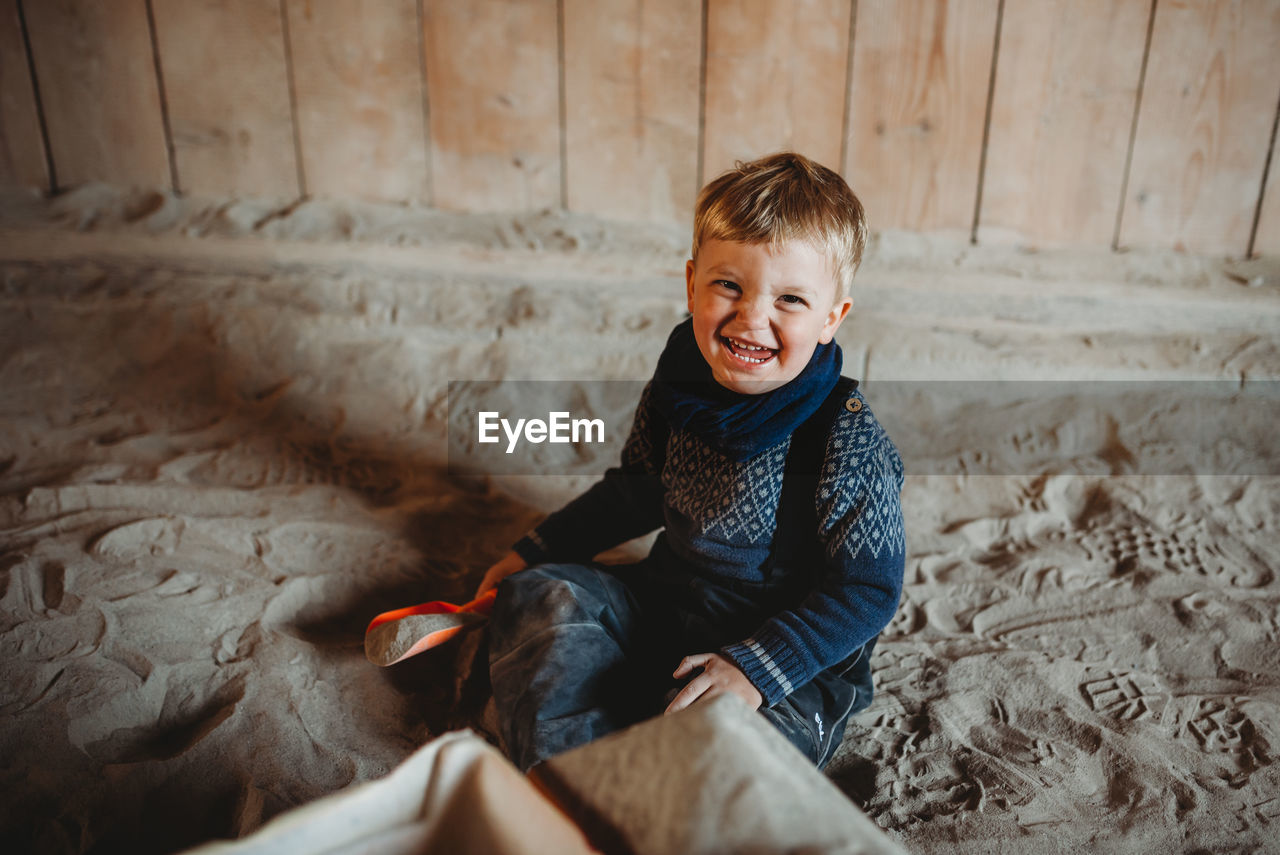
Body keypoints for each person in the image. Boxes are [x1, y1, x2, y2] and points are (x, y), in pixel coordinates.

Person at [477, 151, 905, 772]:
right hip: (664, 609)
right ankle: (570, 777)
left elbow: (867, 589)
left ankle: (657, 786)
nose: (751, 317)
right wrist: (531, 552)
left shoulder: (844, 436)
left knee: (730, 750)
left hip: (778, 654)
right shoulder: (679, 390)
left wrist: (756, 669)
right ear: (691, 284)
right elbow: (633, 494)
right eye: (728, 285)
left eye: (790, 299)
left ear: (831, 319)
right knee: (541, 597)